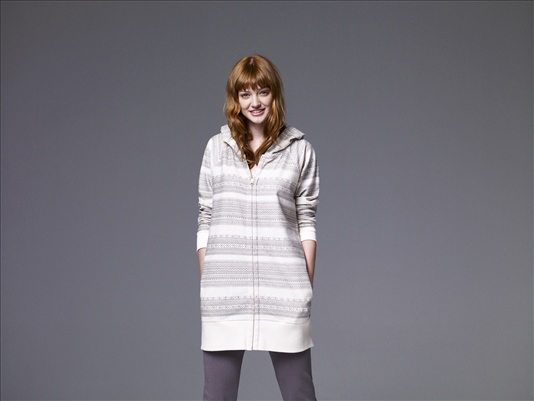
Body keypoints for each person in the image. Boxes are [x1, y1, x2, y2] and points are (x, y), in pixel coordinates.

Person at [196, 55, 319, 401]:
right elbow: (205, 216)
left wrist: (304, 286)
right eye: (245, 94)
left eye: (263, 92)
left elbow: (306, 220)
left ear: (274, 94)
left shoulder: (300, 150)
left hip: (284, 290)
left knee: (299, 394)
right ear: (235, 99)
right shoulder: (216, 149)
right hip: (225, 293)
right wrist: (209, 279)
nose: (255, 102)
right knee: (217, 396)